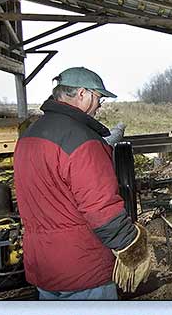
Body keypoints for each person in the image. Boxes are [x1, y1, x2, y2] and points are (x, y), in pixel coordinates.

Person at [13, 67, 150, 300]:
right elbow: (100, 208)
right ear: (83, 94)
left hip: (43, 265)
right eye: (99, 98)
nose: (99, 105)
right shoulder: (82, 140)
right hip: (82, 269)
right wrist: (130, 246)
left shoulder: (29, 135)